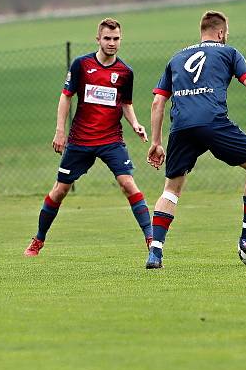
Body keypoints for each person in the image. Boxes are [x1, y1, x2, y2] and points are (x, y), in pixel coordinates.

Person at [145, 11, 246, 269]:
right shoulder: (229, 52)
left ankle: (155, 252)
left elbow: (158, 101)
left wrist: (156, 142)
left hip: (181, 128)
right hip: (213, 123)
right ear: (221, 33)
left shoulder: (176, 57)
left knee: (171, 189)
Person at [23, 17, 153, 256]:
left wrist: (135, 123)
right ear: (98, 39)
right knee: (60, 191)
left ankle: (151, 239)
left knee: (127, 183)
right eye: (107, 38)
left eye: (116, 39)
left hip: (111, 139)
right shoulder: (81, 65)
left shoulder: (125, 72)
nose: (112, 43)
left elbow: (125, 102)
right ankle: (38, 240)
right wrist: (60, 131)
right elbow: (66, 96)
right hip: (80, 140)